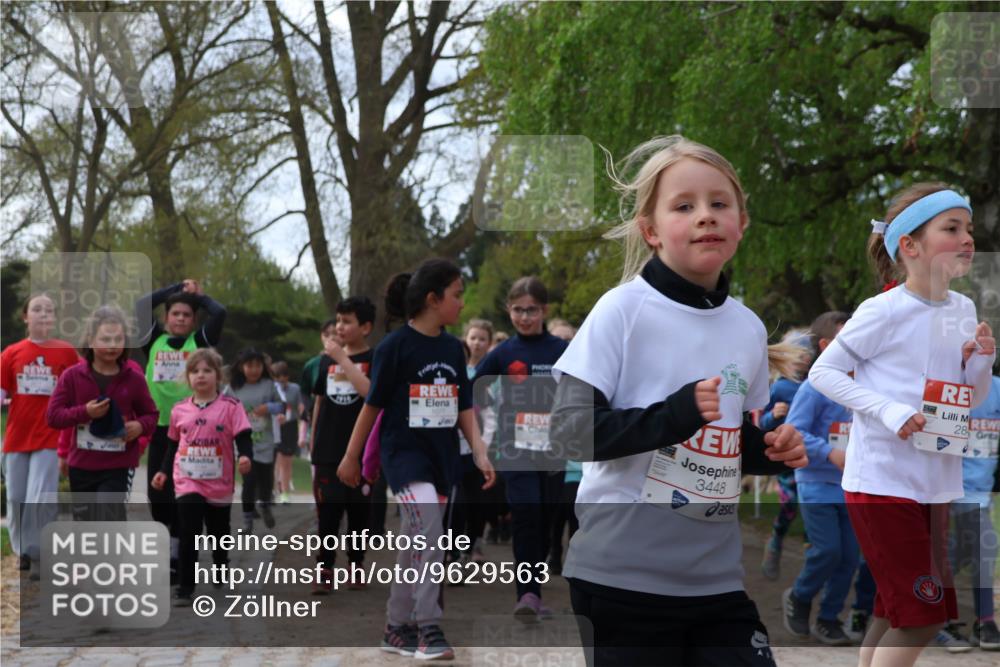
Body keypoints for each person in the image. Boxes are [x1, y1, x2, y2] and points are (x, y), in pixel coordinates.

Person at [549, 135, 807, 666]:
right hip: (621, 580)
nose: (705, 216)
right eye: (684, 206)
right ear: (651, 230)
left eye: (719, 203)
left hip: (716, 585)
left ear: (742, 221)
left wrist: (770, 449)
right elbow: (570, 433)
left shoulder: (747, 328)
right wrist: (676, 414)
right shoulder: (621, 311)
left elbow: (726, 443)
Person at [809, 183, 995, 667]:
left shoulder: (963, 309)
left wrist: (980, 363)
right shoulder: (882, 310)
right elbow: (822, 372)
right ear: (909, 247)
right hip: (882, 483)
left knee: (895, 610)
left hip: (935, 485)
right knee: (923, 615)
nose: (967, 238)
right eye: (951, 228)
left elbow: (968, 398)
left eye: (969, 228)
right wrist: (889, 411)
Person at [337, 259, 496, 661]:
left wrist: (480, 452)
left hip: (442, 459)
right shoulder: (394, 347)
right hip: (404, 458)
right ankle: (428, 626)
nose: (461, 303)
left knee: (415, 540)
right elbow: (372, 407)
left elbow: (462, 407)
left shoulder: (451, 349)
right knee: (429, 527)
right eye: (457, 295)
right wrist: (352, 457)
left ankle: (395, 627)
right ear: (432, 299)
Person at [474, 277, 569, 620]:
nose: (525, 317)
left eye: (531, 310)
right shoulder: (502, 354)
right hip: (515, 451)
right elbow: (473, 394)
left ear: (544, 310)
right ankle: (527, 595)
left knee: (546, 519)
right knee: (527, 515)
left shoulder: (562, 351)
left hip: (554, 451)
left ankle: (535, 589)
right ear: (508, 310)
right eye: (518, 310)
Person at [780, 311, 868, 646]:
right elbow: (795, 430)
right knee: (829, 550)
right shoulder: (815, 387)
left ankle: (829, 618)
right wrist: (829, 453)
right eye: (849, 340)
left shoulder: (862, 385)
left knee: (849, 557)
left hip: (852, 485)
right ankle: (800, 596)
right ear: (826, 345)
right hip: (816, 482)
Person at [137, 279, 226, 578]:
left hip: (192, 431)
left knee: (183, 495)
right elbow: (139, 305)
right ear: (166, 318)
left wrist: (197, 297)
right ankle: (174, 546)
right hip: (160, 428)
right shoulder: (154, 341)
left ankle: (177, 557)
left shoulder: (198, 343)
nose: (180, 319)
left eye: (186, 315)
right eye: (175, 313)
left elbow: (220, 313)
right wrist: (174, 288)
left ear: (193, 321)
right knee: (157, 495)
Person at [151, 349, 253, 605]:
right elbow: (173, 445)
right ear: (188, 377)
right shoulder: (179, 410)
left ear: (218, 376)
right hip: (187, 480)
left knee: (218, 531)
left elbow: (243, 436)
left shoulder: (231, 407)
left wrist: (245, 457)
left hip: (219, 481)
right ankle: (186, 587)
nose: (201, 376)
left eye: (207, 371)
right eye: (195, 371)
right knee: (189, 530)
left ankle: (220, 565)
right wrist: (163, 471)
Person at [46, 306, 158, 522]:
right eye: (106, 339)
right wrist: (84, 412)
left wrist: (140, 427)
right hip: (82, 465)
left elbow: (152, 415)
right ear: (90, 339)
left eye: (118, 339)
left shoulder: (133, 378)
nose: (113, 345)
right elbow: (53, 417)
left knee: (109, 516)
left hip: (117, 465)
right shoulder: (72, 376)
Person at [1, 294, 79, 577]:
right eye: (37, 309)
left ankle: (37, 552)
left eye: (48, 309)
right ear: (26, 317)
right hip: (17, 436)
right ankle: (21, 549)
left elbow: (78, 388)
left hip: (51, 434)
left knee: (40, 495)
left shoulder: (66, 352)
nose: (43, 313)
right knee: (16, 496)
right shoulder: (11, 353)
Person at [309, 297, 375, 594]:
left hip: (361, 451)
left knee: (358, 512)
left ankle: (357, 565)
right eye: (338, 320)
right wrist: (313, 442)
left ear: (366, 327)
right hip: (327, 449)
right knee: (328, 511)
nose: (340, 327)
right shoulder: (325, 362)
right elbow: (319, 403)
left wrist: (343, 359)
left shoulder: (375, 359)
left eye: (347, 321)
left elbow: (370, 393)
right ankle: (324, 568)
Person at [937, 372, 1000, 652]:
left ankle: (948, 618)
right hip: (949, 487)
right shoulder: (948, 388)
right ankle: (976, 621)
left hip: (982, 489)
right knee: (981, 548)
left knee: (963, 552)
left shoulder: (997, 389)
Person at [759, 328, 812, 580]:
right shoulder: (778, 388)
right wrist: (773, 415)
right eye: (799, 352)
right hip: (786, 455)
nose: (804, 358)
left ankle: (812, 552)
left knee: (813, 506)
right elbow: (759, 425)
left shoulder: (815, 384)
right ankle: (776, 540)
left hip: (811, 454)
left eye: (808, 353)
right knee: (790, 504)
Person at [224, 348, 285, 533]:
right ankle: (247, 520)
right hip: (243, 444)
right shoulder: (233, 388)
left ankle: (265, 505)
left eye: (258, 365)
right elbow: (222, 408)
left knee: (266, 481)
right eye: (249, 365)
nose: (254, 369)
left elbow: (282, 406)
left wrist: (269, 407)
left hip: (266, 442)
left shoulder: (269, 385)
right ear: (241, 367)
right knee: (249, 482)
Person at [271, 361, 304, 504]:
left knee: (286, 462)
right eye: (277, 376)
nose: (280, 379)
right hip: (274, 426)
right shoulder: (271, 389)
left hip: (289, 427)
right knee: (272, 461)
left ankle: (285, 493)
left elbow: (301, 407)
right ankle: (271, 491)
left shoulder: (295, 389)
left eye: (283, 376)